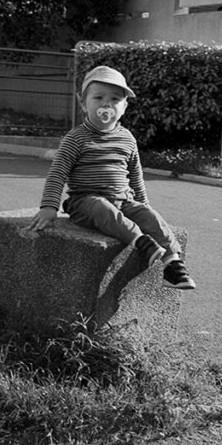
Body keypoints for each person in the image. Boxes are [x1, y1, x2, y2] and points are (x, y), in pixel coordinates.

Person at [29, 65, 196, 290]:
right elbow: (57, 173)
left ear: (124, 107)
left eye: (115, 99)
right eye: (98, 97)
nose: (106, 104)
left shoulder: (127, 139)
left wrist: (143, 206)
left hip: (123, 198)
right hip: (85, 200)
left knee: (151, 217)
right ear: (83, 103)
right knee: (102, 209)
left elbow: (135, 175)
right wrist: (49, 207)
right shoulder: (76, 138)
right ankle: (141, 242)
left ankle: (173, 264)